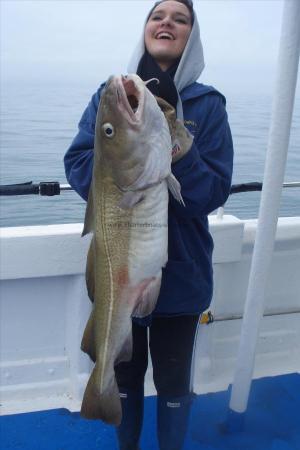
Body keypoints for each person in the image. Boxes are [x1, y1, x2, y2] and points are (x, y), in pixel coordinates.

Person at [64, 1, 233, 449]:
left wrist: (180, 146)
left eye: (180, 19)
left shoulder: (208, 105)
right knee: (123, 371)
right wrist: (114, 173)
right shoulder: (109, 93)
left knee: (175, 378)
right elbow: (79, 160)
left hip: (183, 277)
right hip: (117, 265)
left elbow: (210, 193)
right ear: (144, 29)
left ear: (190, 37)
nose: (166, 23)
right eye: (157, 16)